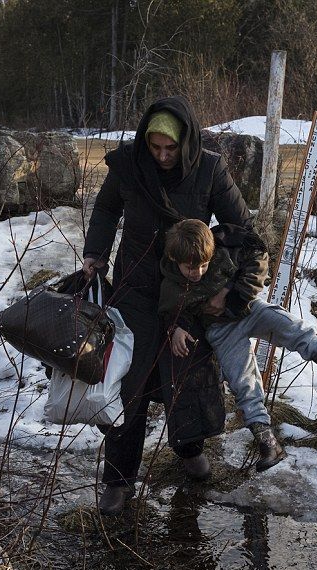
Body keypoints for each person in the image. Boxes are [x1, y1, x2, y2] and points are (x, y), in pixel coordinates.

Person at [81, 96, 252, 516]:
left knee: (185, 376)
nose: (161, 156)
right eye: (154, 147)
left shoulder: (210, 169)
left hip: (188, 294)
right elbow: (105, 209)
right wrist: (95, 253)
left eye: (170, 149)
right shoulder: (127, 164)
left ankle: (190, 450)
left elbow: (240, 227)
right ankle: (119, 480)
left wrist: (225, 282)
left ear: (186, 142)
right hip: (135, 290)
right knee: (129, 382)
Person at [158, 219, 317, 471]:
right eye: (191, 268)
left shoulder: (224, 251)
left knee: (290, 326)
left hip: (248, 310)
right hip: (221, 331)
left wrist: (233, 293)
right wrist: (176, 328)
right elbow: (169, 312)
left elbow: (257, 260)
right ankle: (269, 444)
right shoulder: (171, 285)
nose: (198, 272)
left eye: (203, 265)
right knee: (244, 382)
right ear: (174, 259)